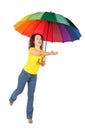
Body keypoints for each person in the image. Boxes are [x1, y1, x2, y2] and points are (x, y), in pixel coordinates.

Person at [9, 33, 58, 124]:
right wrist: (50, 53)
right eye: (37, 38)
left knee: (31, 96)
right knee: (19, 90)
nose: (40, 40)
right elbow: (37, 53)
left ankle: (29, 116)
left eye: (41, 39)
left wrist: (43, 61)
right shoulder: (31, 50)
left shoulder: (42, 52)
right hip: (25, 74)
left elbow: (42, 65)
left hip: (34, 76)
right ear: (34, 41)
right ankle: (11, 99)